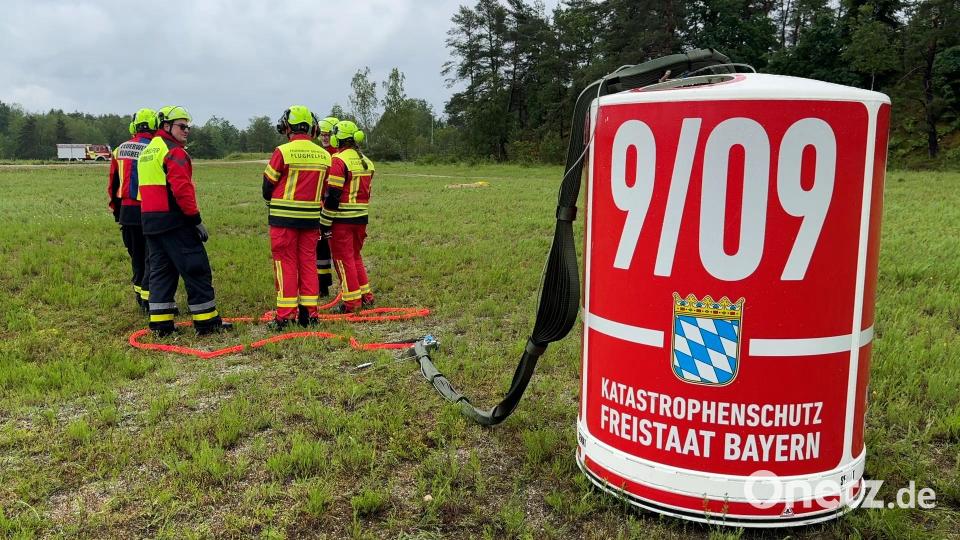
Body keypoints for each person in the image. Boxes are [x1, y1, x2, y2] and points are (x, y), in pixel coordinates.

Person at [137, 106, 232, 337]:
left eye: (188, 126)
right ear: (166, 126)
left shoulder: (148, 151)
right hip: (175, 221)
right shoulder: (175, 152)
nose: (186, 130)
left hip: (151, 222)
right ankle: (207, 322)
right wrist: (195, 220)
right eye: (182, 126)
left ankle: (161, 326)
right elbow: (182, 190)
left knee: (161, 274)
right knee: (196, 268)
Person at [263, 106, 332, 329]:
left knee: (286, 265)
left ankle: (285, 317)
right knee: (308, 264)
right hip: (311, 221)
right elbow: (326, 190)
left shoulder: (283, 152)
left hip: (283, 221)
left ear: (288, 127)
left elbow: (267, 187)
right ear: (312, 128)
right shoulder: (324, 156)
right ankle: (310, 315)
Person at [319, 120, 375, 313]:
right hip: (361, 219)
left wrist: (325, 222)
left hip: (342, 220)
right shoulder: (367, 161)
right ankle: (366, 296)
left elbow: (333, 195)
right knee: (355, 257)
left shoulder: (339, 160)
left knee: (343, 260)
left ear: (338, 138)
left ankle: (351, 303)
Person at [108, 108, 155, 312]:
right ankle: (151, 299)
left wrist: (116, 211)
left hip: (127, 212)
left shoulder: (119, 150)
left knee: (136, 257)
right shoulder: (156, 148)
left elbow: (113, 184)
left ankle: (140, 296)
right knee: (153, 257)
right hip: (152, 210)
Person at [313, 116, 340, 299]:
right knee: (320, 248)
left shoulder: (335, 155)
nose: (324, 137)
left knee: (335, 247)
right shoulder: (319, 152)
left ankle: (346, 285)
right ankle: (322, 285)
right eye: (322, 134)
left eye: (327, 134)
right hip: (318, 204)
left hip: (330, 205)